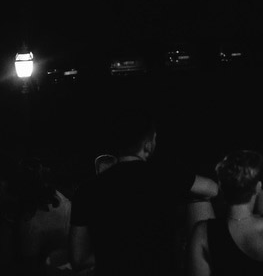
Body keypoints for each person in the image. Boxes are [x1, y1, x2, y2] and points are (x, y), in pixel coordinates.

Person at [68, 108, 219, 276]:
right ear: (148, 144)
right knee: (199, 199)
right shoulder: (166, 175)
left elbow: (78, 259)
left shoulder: (87, 190)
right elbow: (212, 189)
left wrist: (116, 255)